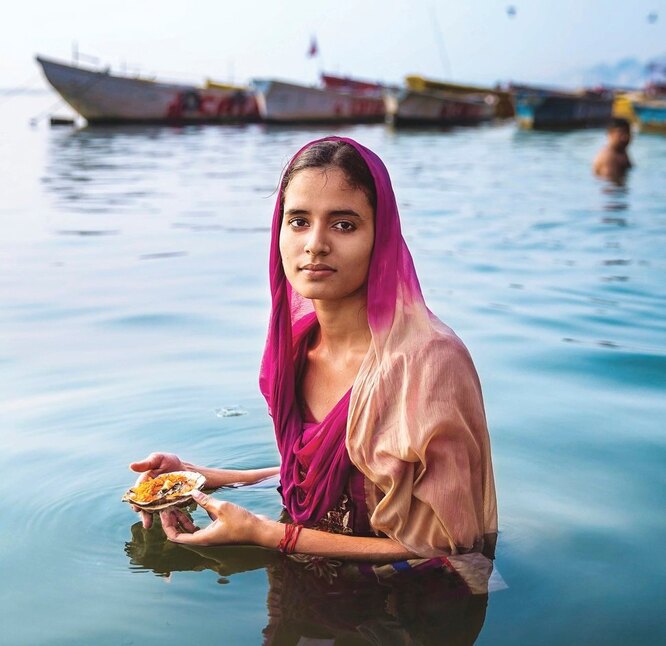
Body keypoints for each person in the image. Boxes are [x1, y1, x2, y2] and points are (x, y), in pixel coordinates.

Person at [129, 137, 497, 583]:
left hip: (405, 602)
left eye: (344, 225)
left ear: (380, 238)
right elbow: (326, 486)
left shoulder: (428, 363)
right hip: (309, 584)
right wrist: (200, 479)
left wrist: (272, 536)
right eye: (299, 221)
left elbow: (449, 546)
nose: (315, 245)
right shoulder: (295, 349)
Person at [593, 117, 632, 182]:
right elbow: (610, 187)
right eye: (621, 133)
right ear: (610, 134)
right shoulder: (609, 158)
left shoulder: (621, 150)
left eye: (627, 133)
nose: (625, 137)